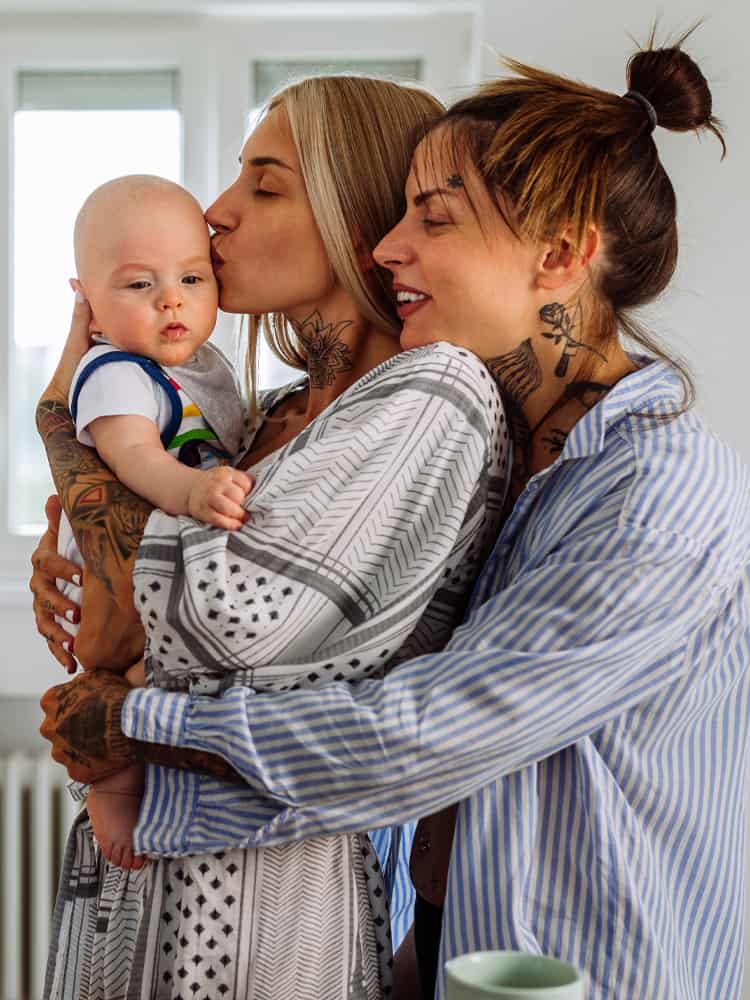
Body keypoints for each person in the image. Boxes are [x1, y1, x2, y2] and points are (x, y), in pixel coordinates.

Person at [35, 34, 750, 1000]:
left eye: (435, 220)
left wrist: (133, 720)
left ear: (563, 254)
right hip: (463, 954)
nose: (386, 245)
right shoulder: (521, 452)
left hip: (611, 971)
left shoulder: (654, 486)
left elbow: (429, 733)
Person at [32, 75, 514, 1000]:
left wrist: (65, 427)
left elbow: (207, 617)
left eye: (265, 184)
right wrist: (87, 536)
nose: (215, 214)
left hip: (257, 906)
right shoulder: (261, 417)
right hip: (133, 881)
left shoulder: (428, 395)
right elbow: (109, 628)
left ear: (354, 209)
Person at [55, 174, 250, 870]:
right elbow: (132, 454)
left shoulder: (203, 367)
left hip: (159, 572)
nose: (172, 298)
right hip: (109, 584)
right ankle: (108, 786)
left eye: (193, 278)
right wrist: (194, 492)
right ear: (92, 308)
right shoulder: (114, 371)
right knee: (112, 677)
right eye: (139, 285)